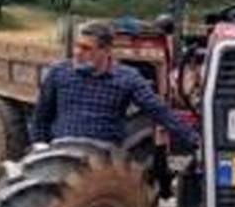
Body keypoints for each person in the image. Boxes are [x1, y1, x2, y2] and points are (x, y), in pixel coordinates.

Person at [31, 21, 199, 151]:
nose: (77, 53)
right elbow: (41, 116)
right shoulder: (59, 72)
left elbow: (159, 110)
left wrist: (195, 140)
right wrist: (39, 144)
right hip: (62, 152)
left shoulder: (127, 78)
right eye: (77, 46)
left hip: (105, 157)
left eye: (86, 48)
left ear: (106, 51)